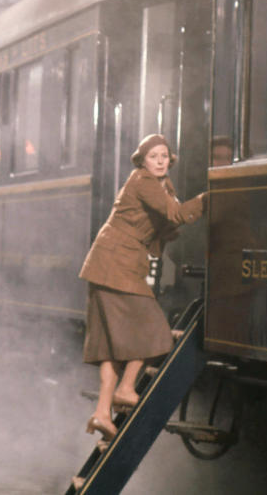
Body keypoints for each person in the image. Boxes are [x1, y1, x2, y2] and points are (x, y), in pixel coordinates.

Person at [79, 134, 205, 440]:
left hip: (113, 264)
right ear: (143, 161)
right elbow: (176, 214)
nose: (160, 161)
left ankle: (101, 414)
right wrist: (206, 201)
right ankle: (124, 389)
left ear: (170, 159)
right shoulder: (143, 181)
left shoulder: (163, 187)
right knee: (155, 330)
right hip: (115, 263)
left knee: (110, 346)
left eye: (165, 156)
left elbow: (165, 226)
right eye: (154, 156)